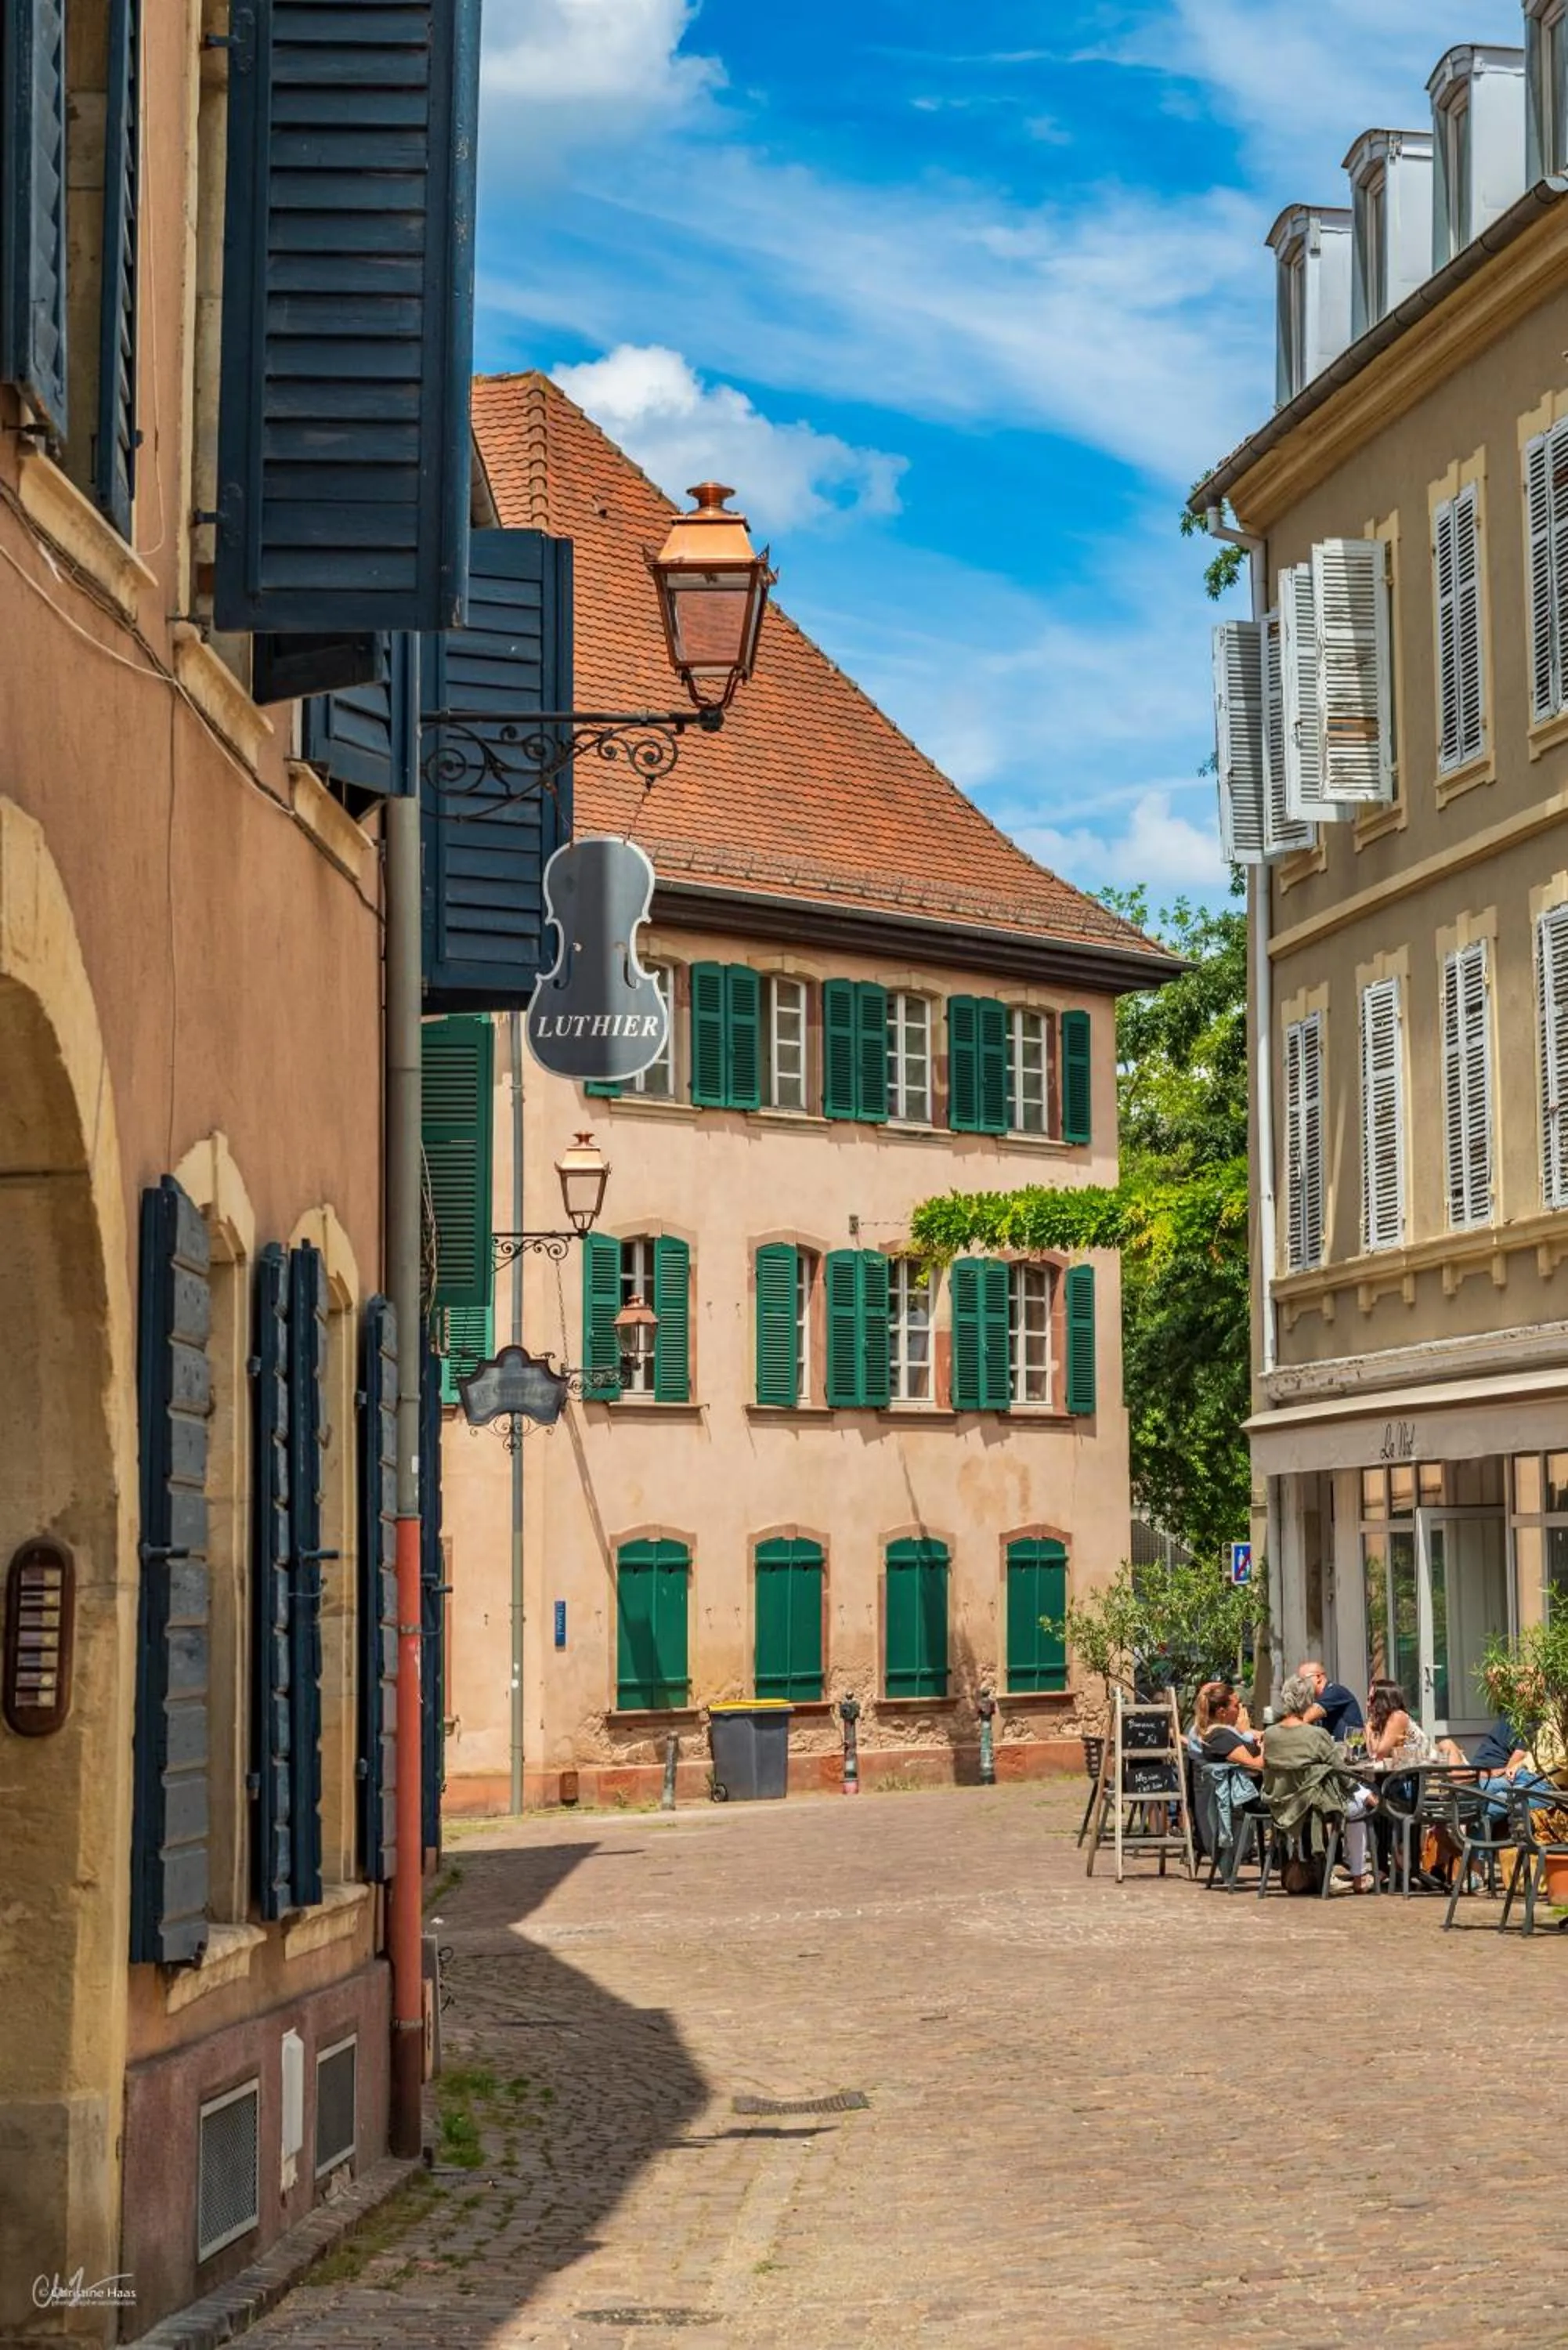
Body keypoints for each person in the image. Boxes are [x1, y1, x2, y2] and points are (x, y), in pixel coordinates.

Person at [1263, 1672, 1378, 1891]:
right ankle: (1359, 1875)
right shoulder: (1316, 1735)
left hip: (1281, 1804)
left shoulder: (1270, 1735)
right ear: (1309, 1701)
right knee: (1360, 1808)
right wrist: (1363, 1793)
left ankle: (1327, 1870)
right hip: (1311, 1806)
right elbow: (1341, 1770)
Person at [1298, 1660, 1365, 1741]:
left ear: (1318, 1677)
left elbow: (1307, 1717)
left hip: (1352, 1750)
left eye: (1303, 1680)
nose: (1300, 1686)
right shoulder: (1320, 1698)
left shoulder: (1334, 1691)